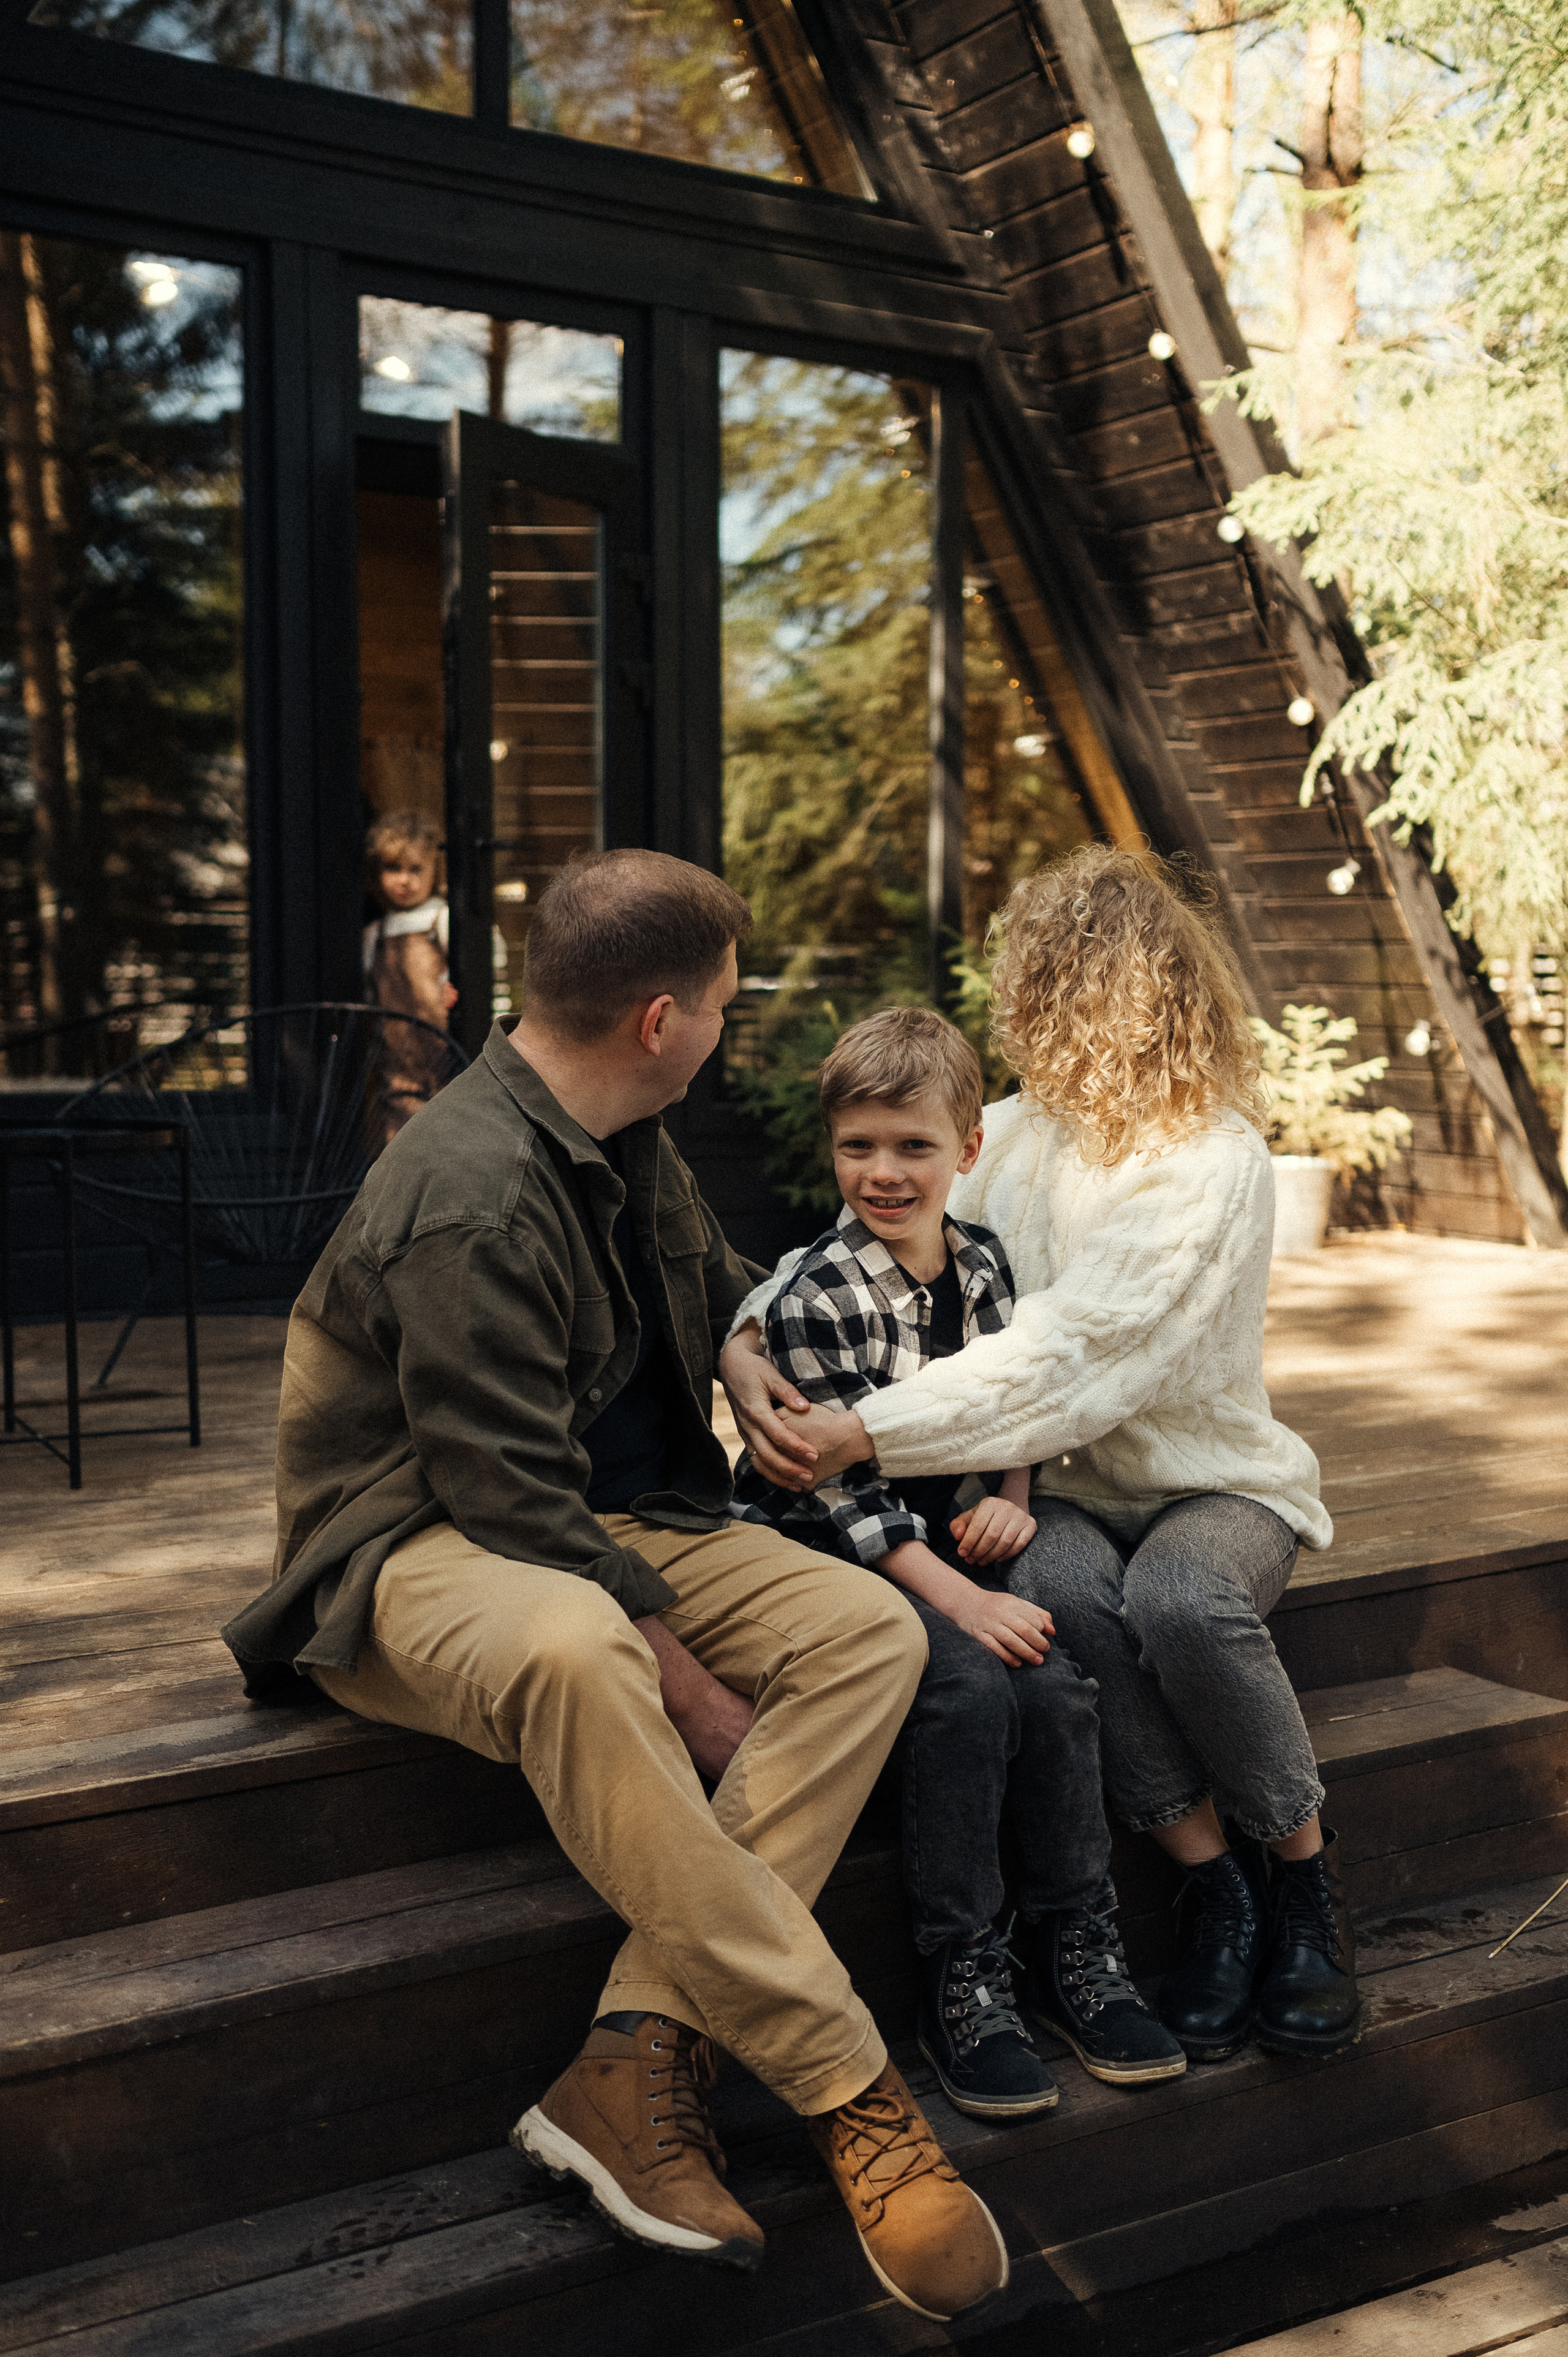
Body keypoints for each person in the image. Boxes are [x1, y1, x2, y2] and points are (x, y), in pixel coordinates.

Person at [222, 849, 1009, 2325]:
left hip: (611, 1506)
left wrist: (738, 1354)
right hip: (412, 1539)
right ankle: (851, 2088)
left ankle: (633, 2051)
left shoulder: (618, 1114)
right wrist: (691, 1681)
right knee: (589, 1649)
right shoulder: (465, 1196)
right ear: (660, 1018)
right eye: (720, 1002)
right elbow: (502, 1491)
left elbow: (698, 1260)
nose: (728, 1026)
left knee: (858, 1627)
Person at [722, 846, 1360, 2067]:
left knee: (1177, 1599)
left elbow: (1075, 1353)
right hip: (1056, 1495)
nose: (1024, 1019)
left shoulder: (1208, 1159)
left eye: (1047, 993)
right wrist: (747, 1334)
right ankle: (1208, 1889)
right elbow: (868, 1220)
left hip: (1212, 1483)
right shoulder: (1010, 1134)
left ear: (1122, 1001)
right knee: (1064, 1598)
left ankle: (1300, 1883)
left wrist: (863, 1428)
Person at [730, 1007, 1186, 2118]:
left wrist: (1013, 1496)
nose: (883, 1172)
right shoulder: (817, 1299)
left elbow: (1012, 1399)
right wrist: (966, 1598)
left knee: (1062, 1680)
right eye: (857, 1146)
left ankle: (1080, 1938)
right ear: (831, 1145)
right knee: (973, 1686)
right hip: (831, 1554)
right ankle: (963, 1967)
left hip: (947, 1538)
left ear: (967, 1150)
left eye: (913, 1146)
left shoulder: (985, 1261)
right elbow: (839, 1496)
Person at [362, 808, 458, 1139]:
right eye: (393, 868)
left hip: (444, 1047)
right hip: (396, 1054)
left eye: (416, 869)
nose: (405, 880)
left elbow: (489, 955)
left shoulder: (440, 919)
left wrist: (451, 986)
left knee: (448, 1119)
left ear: (435, 872)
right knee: (399, 1125)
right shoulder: (377, 933)